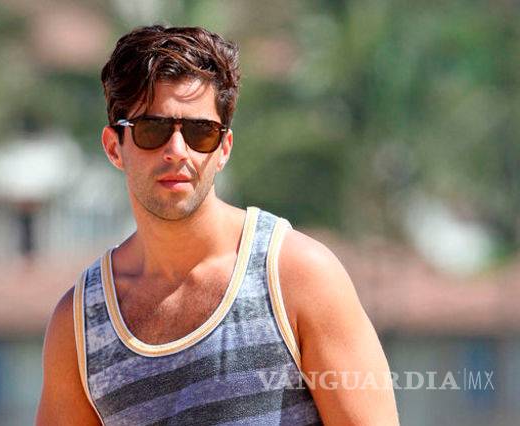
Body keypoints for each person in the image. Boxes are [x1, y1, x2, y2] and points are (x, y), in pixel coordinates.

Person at [36, 25, 399, 425]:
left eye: (200, 132)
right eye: (153, 130)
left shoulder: (297, 276)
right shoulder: (80, 324)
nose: (177, 151)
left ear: (224, 148)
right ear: (113, 147)